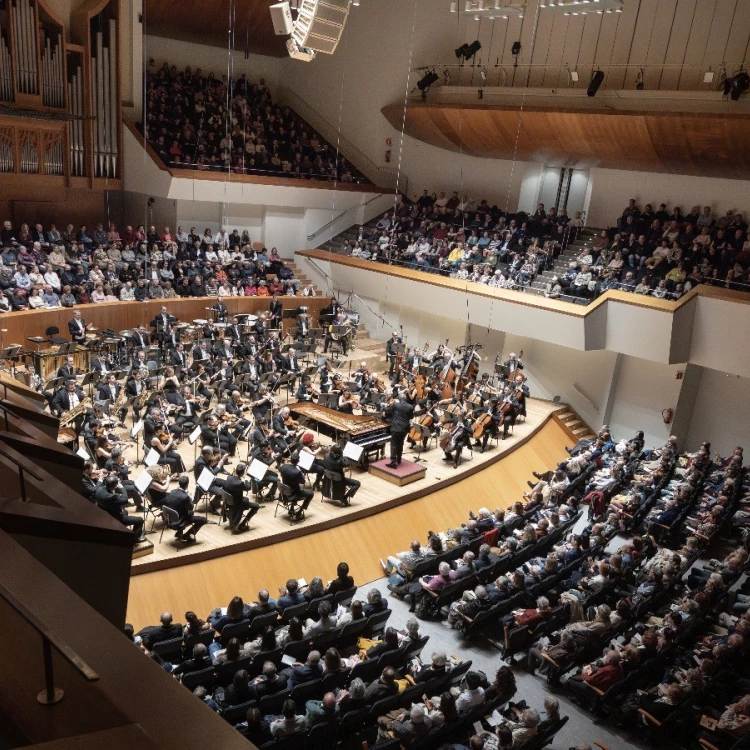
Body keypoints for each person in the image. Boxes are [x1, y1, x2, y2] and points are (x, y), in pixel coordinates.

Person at [94, 474, 145, 542]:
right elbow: (125, 500)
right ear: (115, 486)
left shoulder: (99, 489)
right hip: (115, 518)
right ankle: (135, 538)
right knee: (140, 520)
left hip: (104, 514)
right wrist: (122, 488)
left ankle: (122, 530)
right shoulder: (112, 497)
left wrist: (114, 492)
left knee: (125, 511)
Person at [162, 475, 207, 542]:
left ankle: (179, 532)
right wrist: (189, 497)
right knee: (203, 520)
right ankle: (187, 535)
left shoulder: (172, 491)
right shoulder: (185, 497)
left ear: (179, 483)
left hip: (168, 520)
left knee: (184, 511)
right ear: (187, 485)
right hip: (178, 522)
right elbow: (191, 507)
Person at [223, 462, 260, 533]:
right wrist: (245, 478)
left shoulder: (229, 477)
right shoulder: (239, 483)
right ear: (242, 473)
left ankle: (231, 515)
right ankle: (243, 524)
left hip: (229, 501)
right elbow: (248, 487)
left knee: (246, 499)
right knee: (256, 506)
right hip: (237, 503)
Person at [279, 452, 314, 519]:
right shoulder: (297, 472)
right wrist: (299, 471)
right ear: (298, 461)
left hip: (283, 493)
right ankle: (299, 512)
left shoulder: (283, 466)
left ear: (290, 459)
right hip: (293, 495)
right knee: (311, 494)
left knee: (292, 487)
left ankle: (292, 509)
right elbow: (302, 482)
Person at [384, 393, 414, 468]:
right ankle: (399, 459)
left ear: (399, 399)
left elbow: (390, 413)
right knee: (400, 443)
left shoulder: (395, 405)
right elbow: (411, 416)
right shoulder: (410, 406)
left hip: (396, 427)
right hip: (404, 428)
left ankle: (393, 462)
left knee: (393, 444)